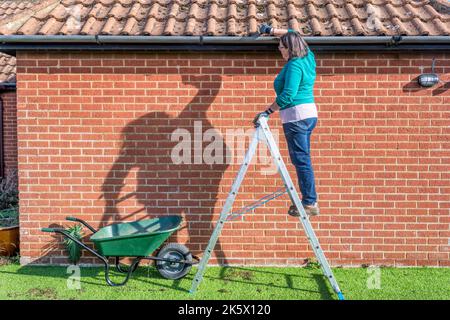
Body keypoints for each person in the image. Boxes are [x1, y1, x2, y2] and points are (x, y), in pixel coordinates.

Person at [253, 24, 319, 217]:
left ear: (289, 48)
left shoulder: (294, 65)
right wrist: (271, 31)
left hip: (296, 117)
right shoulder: (308, 57)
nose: (279, 50)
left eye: (281, 47)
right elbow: (294, 33)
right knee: (302, 158)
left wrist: (266, 111)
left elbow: (288, 95)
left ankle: (309, 202)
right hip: (308, 115)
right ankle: (309, 199)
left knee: (301, 160)